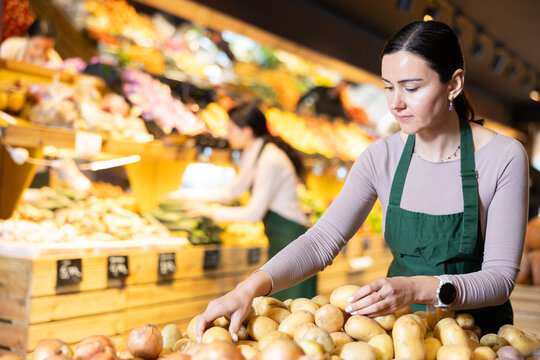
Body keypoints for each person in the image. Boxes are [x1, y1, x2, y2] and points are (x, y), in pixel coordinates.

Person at [194, 20, 529, 342]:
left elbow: (500, 279)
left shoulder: (502, 157)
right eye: (388, 87)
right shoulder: (381, 157)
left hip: (482, 341)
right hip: (399, 334)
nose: (396, 103)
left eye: (412, 87)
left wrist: (417, 288)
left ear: (453, 84)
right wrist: (247, 289)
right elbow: (321, 241)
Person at [169, 103, 317, 301]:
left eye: (230, 129)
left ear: (247, 131)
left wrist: (212, 212)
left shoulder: (269, 159)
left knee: (293, 305)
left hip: (291, 238)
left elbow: (253, 213)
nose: (227, 134)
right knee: (280, 303)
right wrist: (187, 195)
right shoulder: (253, 153)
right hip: (279, 237)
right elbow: (231, 191)